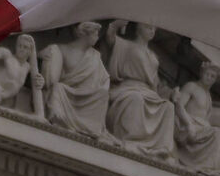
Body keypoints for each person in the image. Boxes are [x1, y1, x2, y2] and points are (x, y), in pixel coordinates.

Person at [103, 20, 178, 158]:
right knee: (135, 99)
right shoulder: (127, 45)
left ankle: (161, 148)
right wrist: (116, 25)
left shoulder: (153, 56)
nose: (152, 31)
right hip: (129, 88)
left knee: (168, 107)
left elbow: (156, 84)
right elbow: (110, 38)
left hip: (149, 92)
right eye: (148, 27)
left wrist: (171, 93)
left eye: (154, 28)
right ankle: (132, 141)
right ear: (138, 28)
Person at [38, 20, 110, 136]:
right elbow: (52, 80)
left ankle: (90, 128)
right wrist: (40, 54)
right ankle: (60, 118)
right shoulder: (62, 49)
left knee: (102, 93)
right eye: (95, 33)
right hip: (67, 95)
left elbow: (105, 78)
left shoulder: (95, 56)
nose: (98, 37)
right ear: (85, 34)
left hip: (87, 98)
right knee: (58, 88)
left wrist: (100, 89)